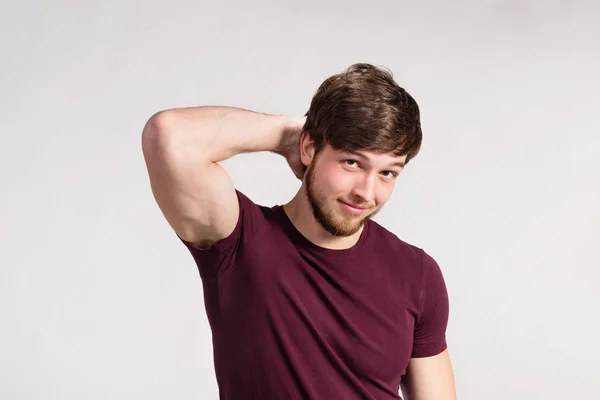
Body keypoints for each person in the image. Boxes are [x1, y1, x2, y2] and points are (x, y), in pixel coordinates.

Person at [141, 63, 456, 400]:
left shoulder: (417, 273)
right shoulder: (240, 243)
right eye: (352, 162)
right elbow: (167, 134)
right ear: (309, 148)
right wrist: (287, 135)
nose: (366, 191)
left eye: (387, 173)